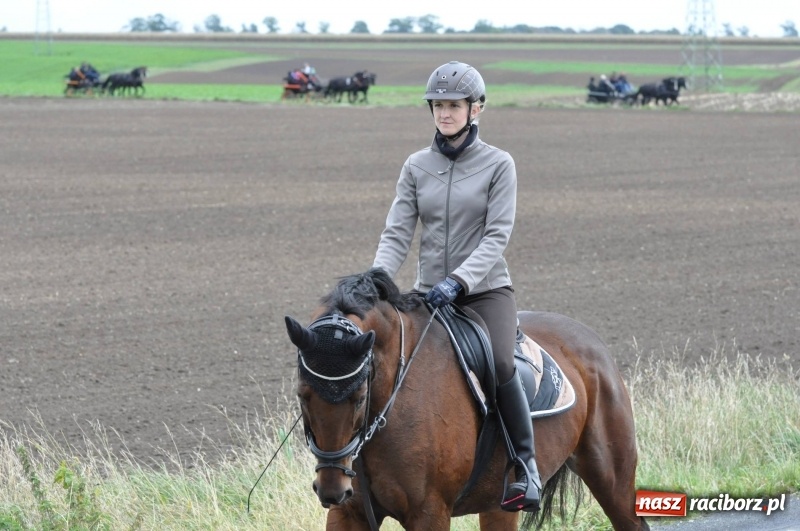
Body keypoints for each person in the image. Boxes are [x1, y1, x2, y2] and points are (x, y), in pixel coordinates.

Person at [372, 60, 541, 513]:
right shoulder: (416, 166)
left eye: (454, 105)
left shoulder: (498, 164)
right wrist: (378, 281)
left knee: (502, 363)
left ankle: (525, 467)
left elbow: (497, 235)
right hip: (428, 294)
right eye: (438, 105)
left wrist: (460, 280)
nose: (444, 113)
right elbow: (397, 233)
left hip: (484, 292)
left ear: (476, 108)